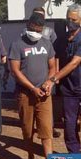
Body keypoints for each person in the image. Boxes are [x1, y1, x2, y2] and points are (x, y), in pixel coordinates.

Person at [9, 13, 62, 159]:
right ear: (29, 25)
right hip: (25, 94)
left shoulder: (46, 44)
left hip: (44, 95)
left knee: (46, 130)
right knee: (27, 129)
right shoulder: (17, 45)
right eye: (34, 29)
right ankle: (30, 158)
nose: (36, 33)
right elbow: (15, 71)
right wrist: (32, 88)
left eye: (39, 30)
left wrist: (49, 82)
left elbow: (53, 66)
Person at [45, 4, 81, 159]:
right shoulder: (60, 40)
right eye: (68, 19)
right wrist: (54, 78)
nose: (70, 22)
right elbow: (55, 60)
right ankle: (74, 154)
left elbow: (74, 63)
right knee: (69, 123)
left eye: (74, 19)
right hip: (68, 89)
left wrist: (53, 78)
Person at [32, 7, 62, 139]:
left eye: (41, 16)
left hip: (47, 72)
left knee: (47, 100)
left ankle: (49, 127)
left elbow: (56, 54)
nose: (39, 18)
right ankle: (35, 128)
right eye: (37, 15)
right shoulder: (25, 31)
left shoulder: (50, 31)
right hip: (32, 72)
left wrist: (56, 73)